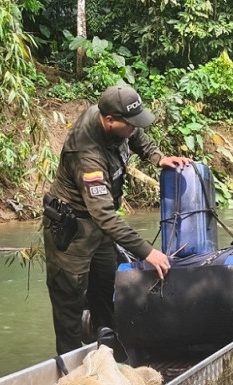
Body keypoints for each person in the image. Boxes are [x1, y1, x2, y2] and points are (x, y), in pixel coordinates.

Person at [43, 85, 190, 355]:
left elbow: (136, 134)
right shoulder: (86, 154)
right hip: (73, 232)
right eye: (130, 124)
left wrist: (157, 157)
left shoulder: (120, 122)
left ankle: (111, 356)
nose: (135, 128)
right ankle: (71, 371)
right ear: (109, 121)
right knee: (69, 309)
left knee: (109, 292)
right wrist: (148, 252)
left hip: (100, 231)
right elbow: (105, 216)